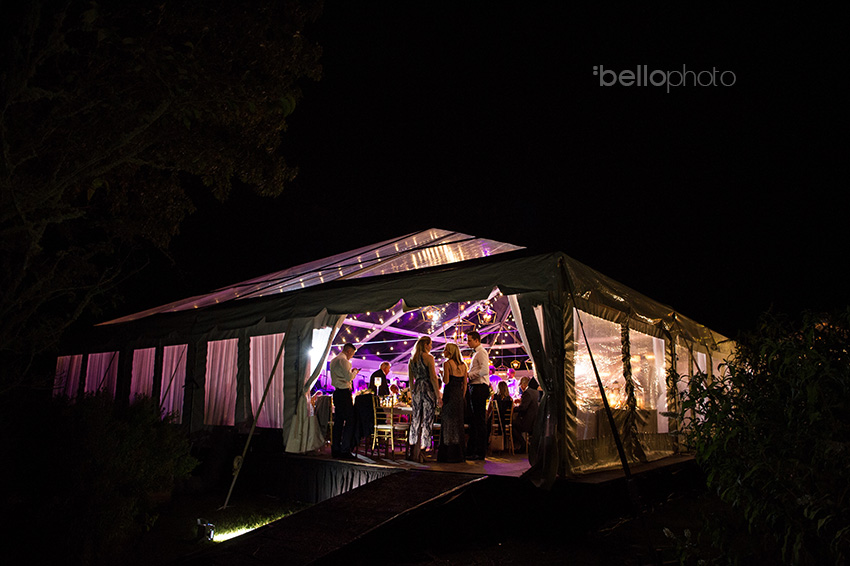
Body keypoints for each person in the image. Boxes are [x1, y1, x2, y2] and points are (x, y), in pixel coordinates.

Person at [408, 336, 442, 463]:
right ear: (426, 344)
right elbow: (433, 377)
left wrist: (413, 393)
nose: (431, 346)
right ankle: (423, 450)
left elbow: (411, 380)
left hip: (417, 390)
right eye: (430, 344)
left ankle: (413, 450)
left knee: (416, 420)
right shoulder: (429, 358)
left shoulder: (412, 360)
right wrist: (438, 396)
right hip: (427, 389)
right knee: (427, 420)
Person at [437, 343, 467, 463]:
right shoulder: (464, 365)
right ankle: (458, 453)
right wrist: (461, 396)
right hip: (459, 396)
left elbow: (446, 381)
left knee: (448, 424)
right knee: (458, 424)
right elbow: (465, 384)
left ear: (449, 352)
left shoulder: (447, 363)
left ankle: (447, 454)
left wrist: (441, 373)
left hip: (449, 395)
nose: (443, 352)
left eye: (445, 350)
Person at [330, 343, 360, 460]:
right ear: (348, 351)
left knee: (338, 421)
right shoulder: (345, 361)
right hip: (344, 393)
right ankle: (345, 448)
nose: (352, 356)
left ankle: (336, 448)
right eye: (352, 353)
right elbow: (349, 378)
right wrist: (355, 372)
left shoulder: (334, 361)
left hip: (337, 393)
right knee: (350, 421)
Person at [466, 331, 490, 461]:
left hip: (480, 387)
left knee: (479, 421)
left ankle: (480, 451)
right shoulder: (477, 353)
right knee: (476, 420)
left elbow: (485, 370)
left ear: (476, 340)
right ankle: (474, 450)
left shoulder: (481, 352)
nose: (467, 343)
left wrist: (469, 375)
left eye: (469, 340)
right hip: (476, 387)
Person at [513, 376, 539, 454]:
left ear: (524, 385)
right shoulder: (535, 392)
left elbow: (523, 408)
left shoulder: (527, 393)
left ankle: (523, 445)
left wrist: (514, 409)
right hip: (535, 421)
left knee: (513, 425)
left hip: (528, 422)